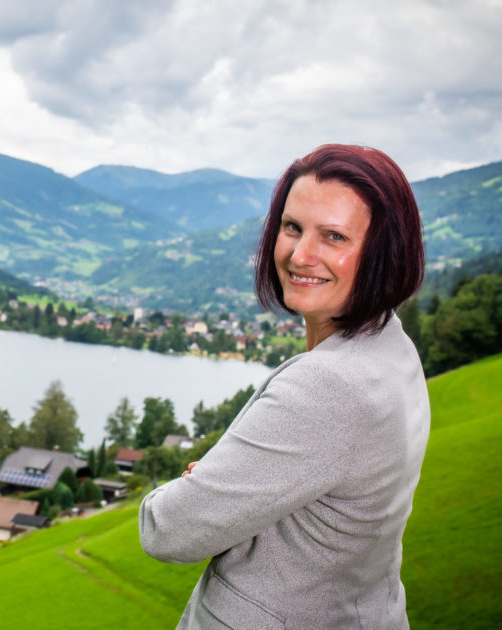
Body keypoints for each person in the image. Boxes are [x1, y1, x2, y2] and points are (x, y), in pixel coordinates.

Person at [139, 144, 429, 629]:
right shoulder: (393, 348)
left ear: (384, 253)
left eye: (334, 236)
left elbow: (166, 530)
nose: (300, 254)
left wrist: (205, 480)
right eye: (292, 227)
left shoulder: (327, 386)